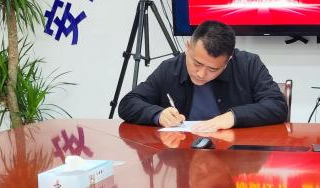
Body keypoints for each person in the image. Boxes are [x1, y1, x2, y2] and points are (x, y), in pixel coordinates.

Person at [118, 20, 287, 130]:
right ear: (187, 47)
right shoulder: (169, 69)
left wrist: (234, 117)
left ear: (228, 61)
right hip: (184, 153)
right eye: (197, 63)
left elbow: (277, 106)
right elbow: (128, 103)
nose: (201, 74)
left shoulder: (248, 64)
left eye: (213, 69)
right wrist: (157, 114)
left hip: (234, 156)